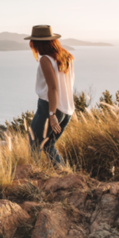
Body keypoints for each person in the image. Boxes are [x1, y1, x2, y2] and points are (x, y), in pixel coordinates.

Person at [24, 25, 75, 166]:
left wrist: (52, 115)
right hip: (67, 109)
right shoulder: (67, 57)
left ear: (36, 43)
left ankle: (34, 177)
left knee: (34, 144)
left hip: (50, 108)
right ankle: (64, 174)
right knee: (48, 146)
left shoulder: (45, 59)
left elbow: (53, 88)